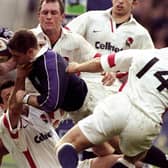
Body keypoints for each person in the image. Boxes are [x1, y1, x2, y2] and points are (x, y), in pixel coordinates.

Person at [55, 47, 168, 168]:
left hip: (119, 107)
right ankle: (126, 163)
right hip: (147, 121)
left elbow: (100, 63)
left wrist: (77, 67)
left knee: (66, 145)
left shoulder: (146, 54)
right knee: (134, 155)